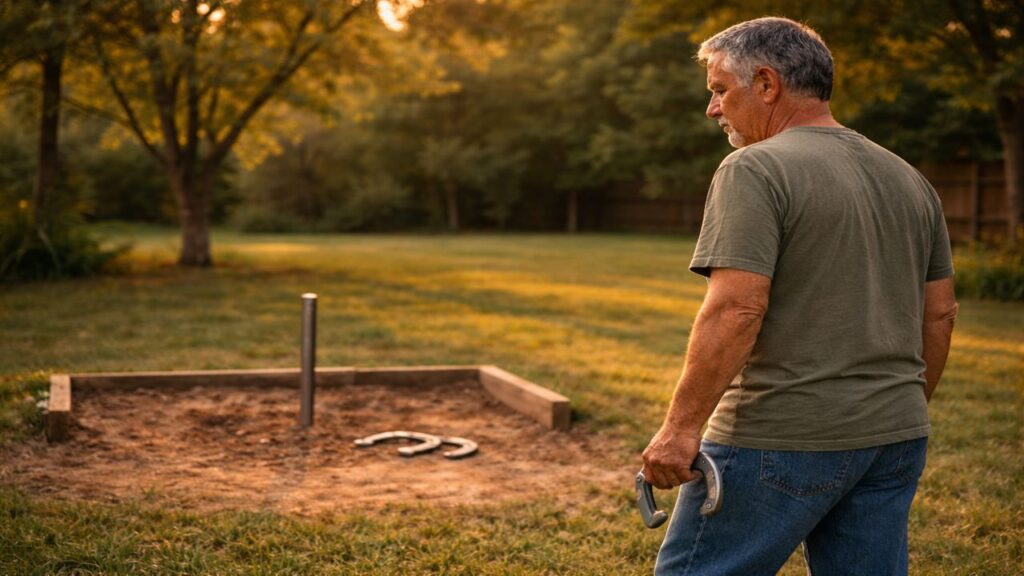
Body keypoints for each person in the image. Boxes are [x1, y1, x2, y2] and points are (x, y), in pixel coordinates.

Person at [641, 16, 958, 576]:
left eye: (719, 90)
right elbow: (940, 313)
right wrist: (891, 408)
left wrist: (680, 429)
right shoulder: (909, 178)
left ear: (766, 84)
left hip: (778, 435)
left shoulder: (753, 169)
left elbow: (737, 307)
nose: (713, 108)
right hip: (895, 436)